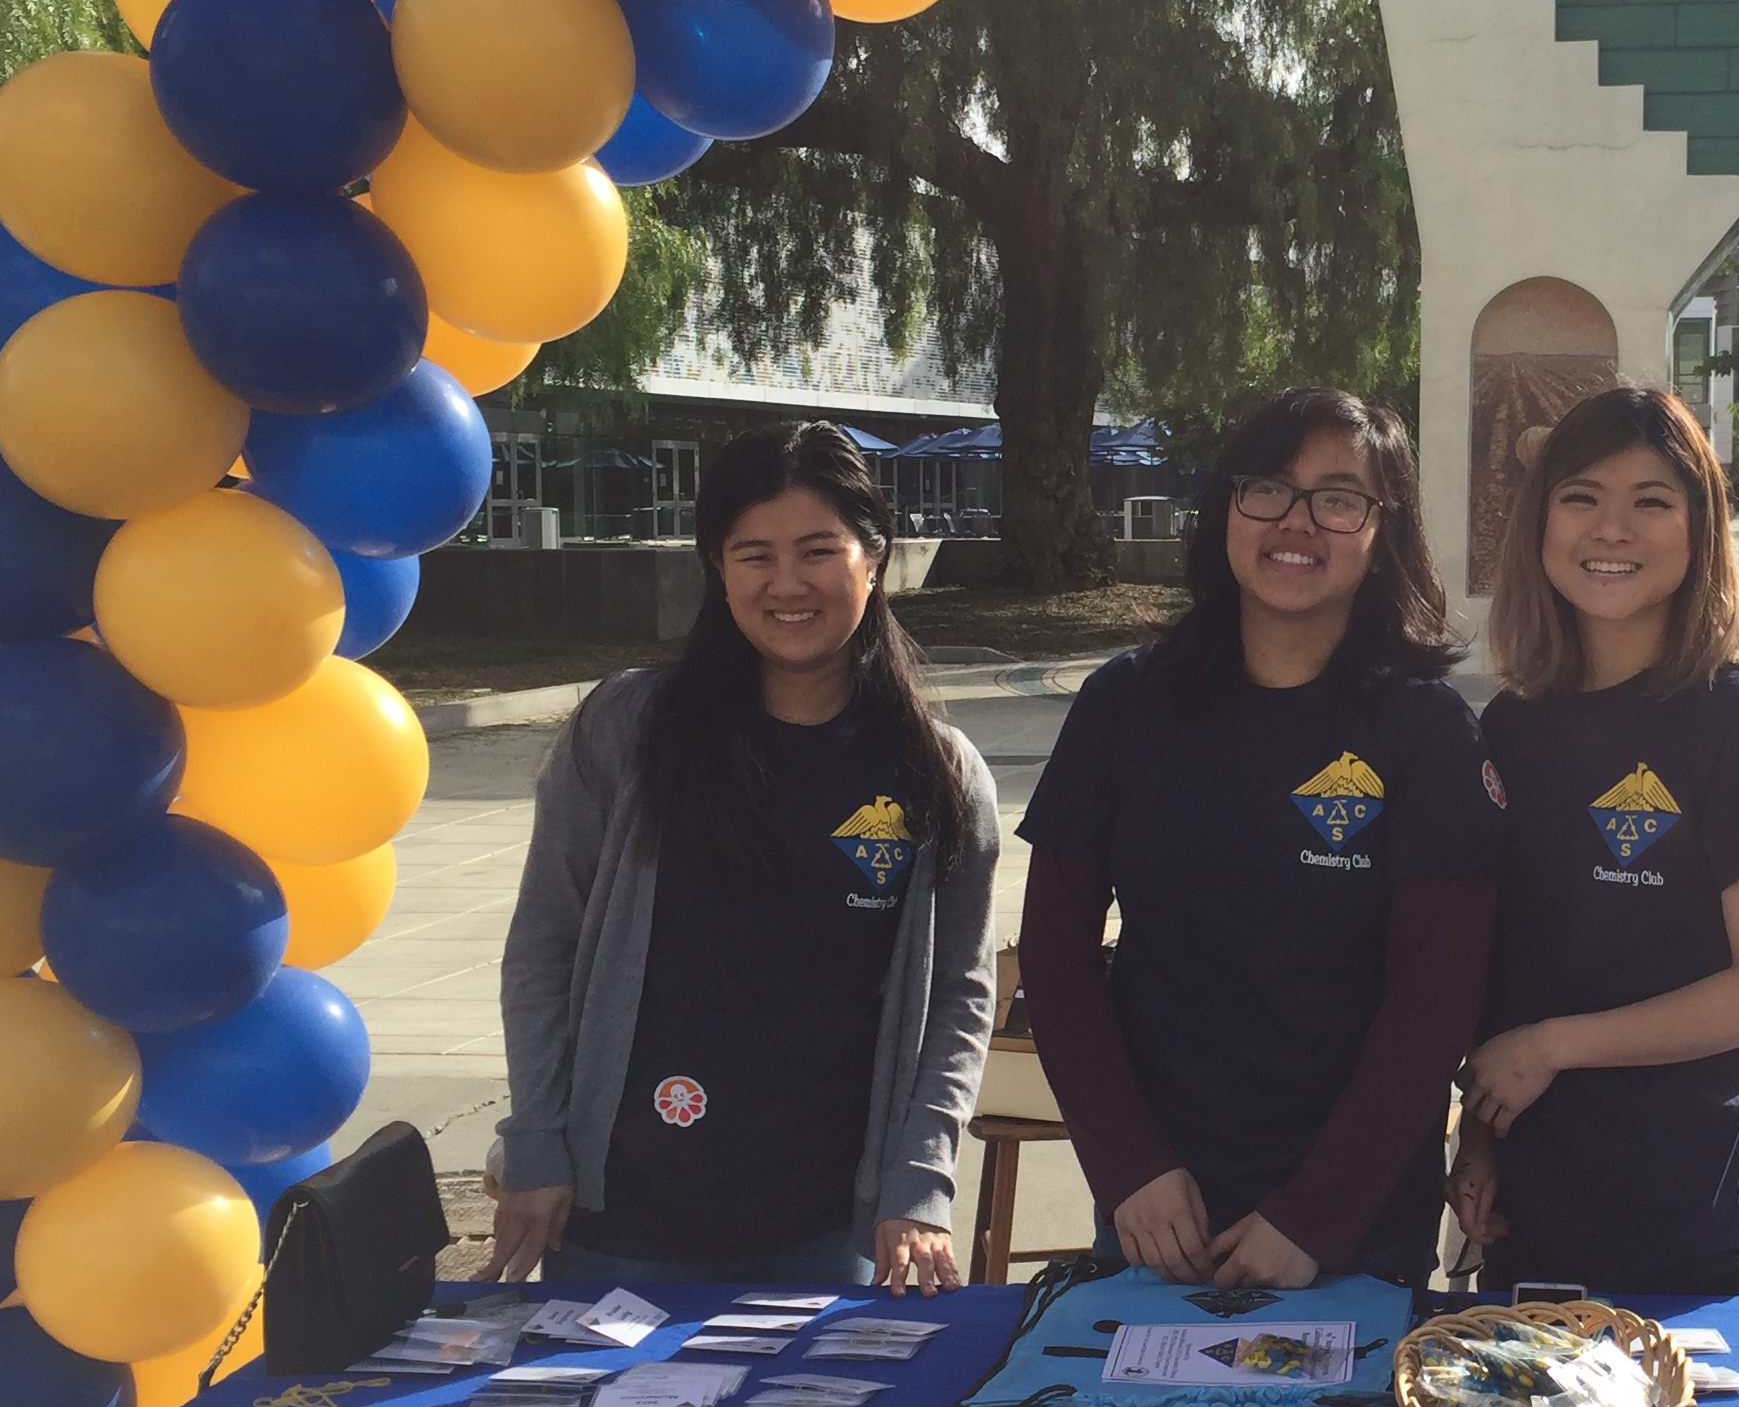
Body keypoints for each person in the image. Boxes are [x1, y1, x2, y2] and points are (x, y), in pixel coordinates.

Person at [485, 422, 1000, 1289]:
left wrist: (920, 1181)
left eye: (818, 551)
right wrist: (537, 1139)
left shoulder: (937, 774)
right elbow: (545, 944)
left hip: (828, 1231)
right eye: (753, 555)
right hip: (619, 1222)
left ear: (874, 559)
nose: (787, 584)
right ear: (717, 570)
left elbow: (958, 995)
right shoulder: (631, 731)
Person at [1017, 387, 1500, 1290]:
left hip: (1355, 1232)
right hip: (1160, 1214)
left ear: (1382, 529)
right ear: (1225, 508)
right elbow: (1054, 950)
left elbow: (1437, 1001)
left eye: (1339, 497)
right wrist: (1128, 1166)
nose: (1297, 522)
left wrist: (1315, 1215)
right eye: (1268, 489)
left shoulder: (1425, 731)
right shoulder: (1126, 704)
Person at [1451, 386, 1739, 1296]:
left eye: (1651, 502)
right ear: (1541, 522)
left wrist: (1549, 1048)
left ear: (1699, 531)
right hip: (1529, 1213)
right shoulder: (1511, 725)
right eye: (1581, 497)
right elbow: (1505, 965)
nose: (1611, 530)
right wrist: (1481, 1134)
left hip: (1685, 1224)